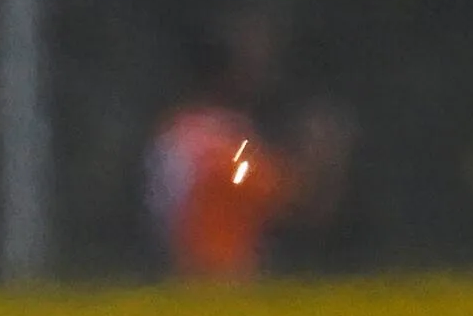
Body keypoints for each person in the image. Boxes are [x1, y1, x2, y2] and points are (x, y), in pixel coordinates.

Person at [145, 18, 348, 283]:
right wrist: (323, 154)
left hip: (181, 281)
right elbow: (296, 198)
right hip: (217, 283)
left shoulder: (174, 133)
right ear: (227, 74)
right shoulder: (222, 142)